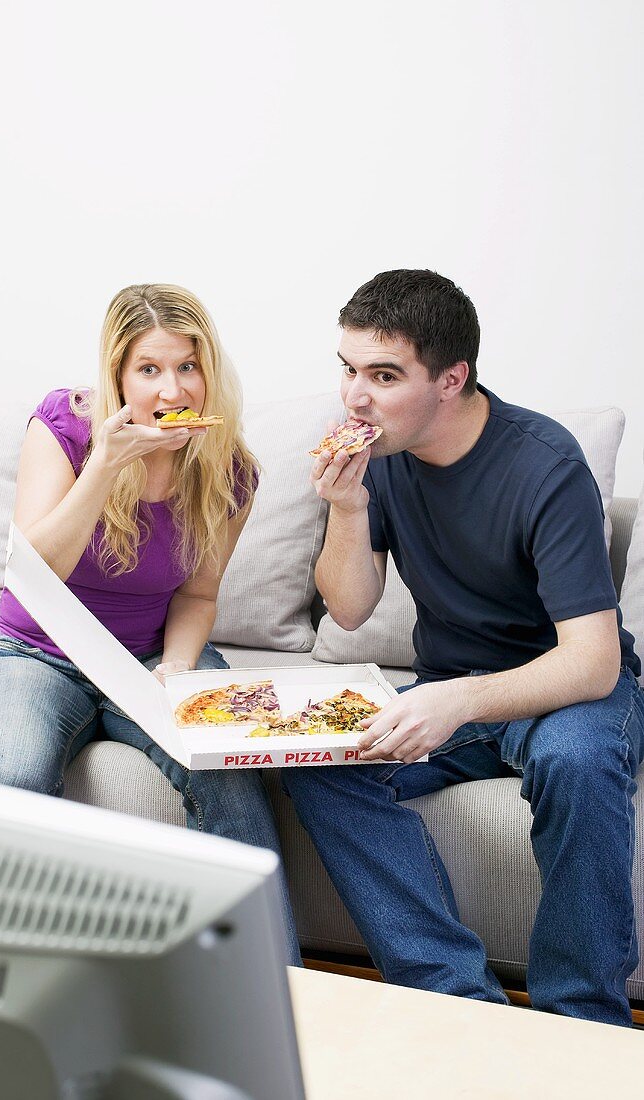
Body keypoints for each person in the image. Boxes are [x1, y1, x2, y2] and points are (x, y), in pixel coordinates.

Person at [281, 269, 644, 1024]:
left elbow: (593, 659)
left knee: (575, 761)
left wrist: (462, 699)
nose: (355, 396)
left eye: (384, 375)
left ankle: (583, 1023)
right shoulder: (378, 459)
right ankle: (456, 1002)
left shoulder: (546, 465)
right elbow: (348, 610)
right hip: (455, 687)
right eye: (348, 369)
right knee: (319, 761)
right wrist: (347, 506)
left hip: (562, 687)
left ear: (453, 378)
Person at [0, 283, 300, 964]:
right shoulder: (63, 425)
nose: (172, 388)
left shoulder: (229, 471)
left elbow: (199, 597)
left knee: (229, 776)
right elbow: (33, 570)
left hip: (148, 657)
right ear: (117, 376)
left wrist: (176, 669)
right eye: (149, 369)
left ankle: (283, 991)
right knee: (17, 776)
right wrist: (106, 465)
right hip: (35, 653)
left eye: (187, 367)